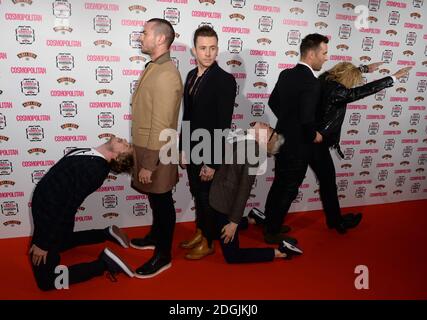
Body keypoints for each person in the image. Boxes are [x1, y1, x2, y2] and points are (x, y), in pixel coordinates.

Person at [314, 62, 412, 233]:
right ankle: (337, 223)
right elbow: (361, 92)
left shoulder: (324, 81)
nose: (353, 84)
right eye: (353, 80)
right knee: (320, 184)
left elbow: (339, 74)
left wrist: (364, 69)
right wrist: (393, 77)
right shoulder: (338, 91)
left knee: (311, 183)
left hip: (312, 142)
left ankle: (334, 221)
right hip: (316, 145)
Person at [29, 137, 134, 291]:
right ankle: (106, 233)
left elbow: (65, 206)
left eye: (126, 146)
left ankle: (104, 264)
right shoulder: (90, 154)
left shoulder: (95, 168)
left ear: (116, 157)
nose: (124, 140)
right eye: (127, 142)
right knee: (64, 241)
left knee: (46, 282)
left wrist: (42, 242)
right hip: (46, 212)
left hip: (50, 217)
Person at [262, 33, 330, 244]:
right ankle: (272, 232)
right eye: (324, 53)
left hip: (282, 139)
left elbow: (273, 101)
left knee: (279, 183)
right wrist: (314, 135)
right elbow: (307, 119)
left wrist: (287, 120)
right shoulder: (312, 82)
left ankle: (271, 222)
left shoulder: (286, 74)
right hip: (298, 144)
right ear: (311, 54)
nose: (326, 58)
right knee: (289, 188)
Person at [129, 18, 183, 278]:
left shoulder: (165, 74)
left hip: (157, 152)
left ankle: (163, 255)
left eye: (145, 32)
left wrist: (149, 164)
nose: (141, 37)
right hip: (150, 148)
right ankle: (155, 236)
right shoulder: (155, 67)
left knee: (162, 200)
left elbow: (162, 124)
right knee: (156, 198)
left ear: (161, 39)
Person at [178, 26, 236, 260]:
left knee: (206, 198)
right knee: (196, 193)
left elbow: (223, 124)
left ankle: (208, 241)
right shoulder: (191, 75)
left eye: (212, 48)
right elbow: (187, 115)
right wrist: (183, 147)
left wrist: (212, 163)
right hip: (191, 147)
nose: (208, 53)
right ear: (194, 50)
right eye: (203, 48)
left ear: (217, 49)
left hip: (209, 150)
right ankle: (200, 231)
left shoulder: (225, 80)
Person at [209, 122, 303, 263]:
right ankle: (251, 219)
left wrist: (234, 223)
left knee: (233, 256)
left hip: (225, 204)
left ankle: (279, 251)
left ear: (265, 140)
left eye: (269, 130)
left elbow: (244, 190)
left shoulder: (253, 153)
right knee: (214, 232)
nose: (266, 125)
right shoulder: (247, 136)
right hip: (218, 195)